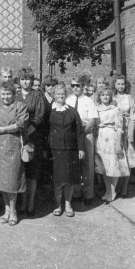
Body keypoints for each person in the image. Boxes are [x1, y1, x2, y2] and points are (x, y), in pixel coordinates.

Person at [0, 81, 29, 226]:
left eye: (8, 94)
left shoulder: (20, 106)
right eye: (3, 94)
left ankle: (13, 211)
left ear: (14, 94)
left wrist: (2, 129)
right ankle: (6, 210)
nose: (5, 97)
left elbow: (21, 124)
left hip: (12, 145)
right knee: (2, 181)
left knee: (12, 180)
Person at [48, 84, 85, 218]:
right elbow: (46, 130)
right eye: (58, 94)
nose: (60, 96)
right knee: (58, 179)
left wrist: (81, 148)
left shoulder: (72, 111)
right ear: (54, 95)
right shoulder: (49, 111)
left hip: (71, 149)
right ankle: (58, 205)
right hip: (55, 150)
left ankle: (68, 204)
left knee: (69, 178)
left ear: (66, 95)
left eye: (63, 94)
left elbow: (79, 131)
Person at [15, 68, 46, 216]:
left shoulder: (37, 95)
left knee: (32, 171)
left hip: (33, 136)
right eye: (22, 79)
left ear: (32, 80)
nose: (25, 81)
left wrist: (28, 131)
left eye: (27, 79)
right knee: (20, 170)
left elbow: (40, 116)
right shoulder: (15, 95)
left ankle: (31, 202)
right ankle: (22, 201)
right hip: (17, 136)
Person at [66, 76, 99, 205]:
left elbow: (92, 120)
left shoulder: (89, 101)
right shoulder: (68, 100)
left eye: (78, 85)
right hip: (72, 137)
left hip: (86, 136)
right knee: (75, 165)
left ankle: (88, 194)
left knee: (87, 165)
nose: (75, 88)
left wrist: (80, 133)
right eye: (73, 85)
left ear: (83, 87)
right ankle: (76, 192)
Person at [95, 85, 129, 202]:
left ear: (110, 96)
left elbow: (119, 127)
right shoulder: (96, 108)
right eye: (103, 94)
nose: (105, 97)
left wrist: (119, 144)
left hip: (112, 138)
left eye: (107, 95)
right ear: (99, 96)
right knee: (104, 167)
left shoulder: (115, 109)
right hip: (100, 138)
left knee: (113, 165)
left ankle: (113, 191)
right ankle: (108, 190)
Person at [112, 75, 135, 197]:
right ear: (114, 84)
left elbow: (133, 117)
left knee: (127, 160)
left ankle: (124, 187)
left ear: (126, 85)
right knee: (117, 160)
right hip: (114, 131)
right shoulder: (111, 97)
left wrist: (130, 133)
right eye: (118, 84)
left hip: (126, 129)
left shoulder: (129, 98)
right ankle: (116, 187)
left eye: (122, 84)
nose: (120, 86)